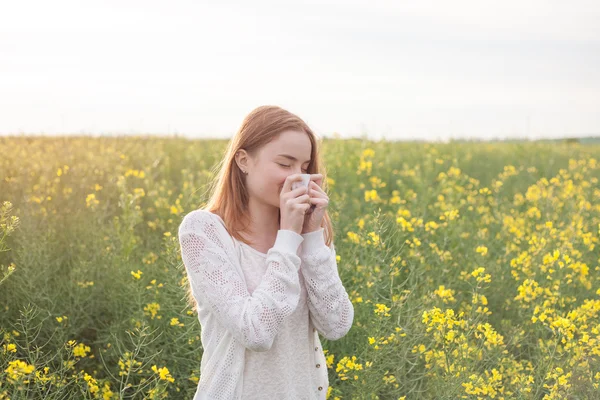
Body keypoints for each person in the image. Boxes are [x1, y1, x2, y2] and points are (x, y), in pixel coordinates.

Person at [177, 105, 354, 399]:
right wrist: (288, 237)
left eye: (305, 167)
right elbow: (255, 332)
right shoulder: (204, 231)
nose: (297, 178)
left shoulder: (307, 234)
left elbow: (336, 325)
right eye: (285, 164)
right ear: (244, 160)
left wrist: (310, 236)